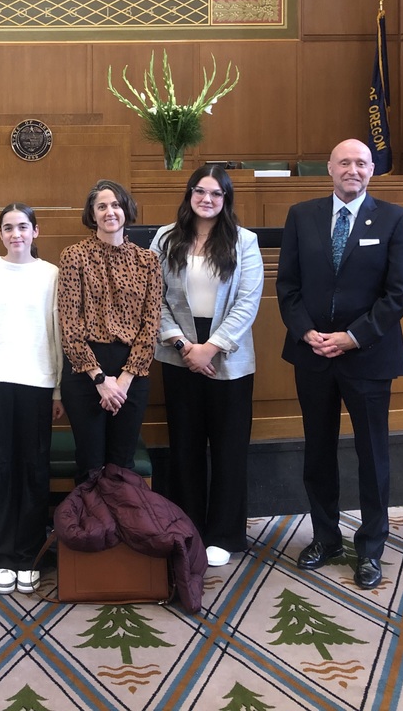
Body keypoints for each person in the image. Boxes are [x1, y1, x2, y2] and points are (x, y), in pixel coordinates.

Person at [276, 139, 403, 590]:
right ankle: (326, 538)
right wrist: (306, 332)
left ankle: (371, 548)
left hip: (369, 357)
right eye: (344, 162)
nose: (352, 169)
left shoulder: (396, 219)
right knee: (317, 452)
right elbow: (288, 286)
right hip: (313, 354)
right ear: (330, 168)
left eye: (360, 162)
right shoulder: (302, 215)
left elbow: (398, 293)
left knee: (372, 455)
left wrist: (352, 337)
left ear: (371, 169)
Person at [150, 166, 263, 567]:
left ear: (226, 199)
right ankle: (189, 526)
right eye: (201, 191)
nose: (207, 200)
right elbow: (155, 299)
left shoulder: (244, 241)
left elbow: (248, 302)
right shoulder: (165, 239)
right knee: (186, 446)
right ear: (190, 193)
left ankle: (226, 533)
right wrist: (184, 345)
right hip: (178, 352)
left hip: (228, 357)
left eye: (216, 194)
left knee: (230, 448)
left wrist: (210, 348)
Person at [0, 203, 63, 595]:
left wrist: (57, 389)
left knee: (35, 468)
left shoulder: (52, 275)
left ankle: (29, 553)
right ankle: (4, 554)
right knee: (1, 467)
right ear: (0, 234)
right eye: (8, 227)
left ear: (35, 231)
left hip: (38, 382)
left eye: (23, 226)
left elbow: (57, 334)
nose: (16, 234)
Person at [58, 180, 162, 482]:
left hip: (133, 369)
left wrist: (125, 379)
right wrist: (101, 380)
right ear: (92, 214)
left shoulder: (148, 261)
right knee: (90, 464)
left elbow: (150, 324)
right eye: (101, 206)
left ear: (126, 210)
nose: (110, 211)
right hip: (85, 370)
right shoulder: (73, 256)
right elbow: (70, 324)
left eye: (116, 204)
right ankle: (91, 529)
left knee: (122, 465)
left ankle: (121, 530)